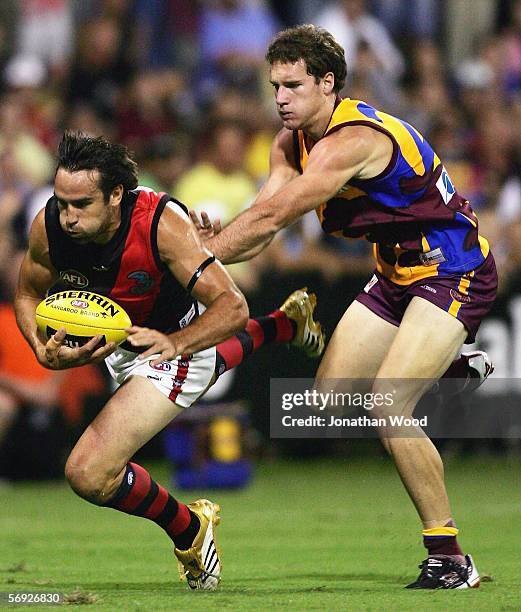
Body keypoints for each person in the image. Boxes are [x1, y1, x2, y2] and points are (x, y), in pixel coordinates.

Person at [201, 25, 498, 589]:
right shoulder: (290, 142)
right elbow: (264, 217)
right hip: (394, 273)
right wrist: (212, 244)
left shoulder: (353, 140)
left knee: (388, 404)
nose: (281, 98)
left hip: (453, 268)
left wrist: (196, 257)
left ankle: (451, 558)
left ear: (327, 83)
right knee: (327, 402)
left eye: (292, 85)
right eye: (274, 86)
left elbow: (271, 220)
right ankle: (457, 367)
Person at [14, 131, 325, 591]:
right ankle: (285, 324)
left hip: (174, 343)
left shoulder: (162, 224)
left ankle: (188, 529)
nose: (69, 217)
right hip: (124, 347)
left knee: (88, 472)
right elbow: (26, 292)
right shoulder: (50, 226)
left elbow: (233, 307)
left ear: (117, 195)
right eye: (62, 203)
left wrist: (175, 342)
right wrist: (40, 346)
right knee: (213, 368)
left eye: (82, 204)